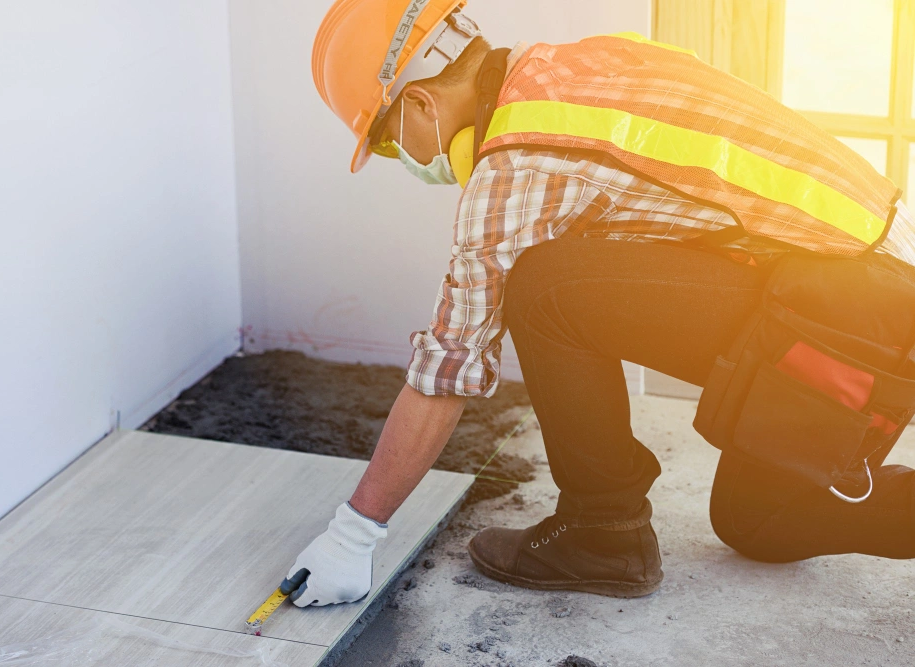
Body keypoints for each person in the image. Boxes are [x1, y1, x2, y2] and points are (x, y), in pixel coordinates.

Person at [281, 0, 915, 607]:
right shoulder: (578, 65)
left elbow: (449, 366)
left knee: (543, 290)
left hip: (855, 312)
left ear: (420, 101)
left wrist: (353, 535)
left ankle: (602, 531)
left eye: (388, 141)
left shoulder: (517, 164)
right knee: (756, 523)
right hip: (868, 284)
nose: (404, 159)